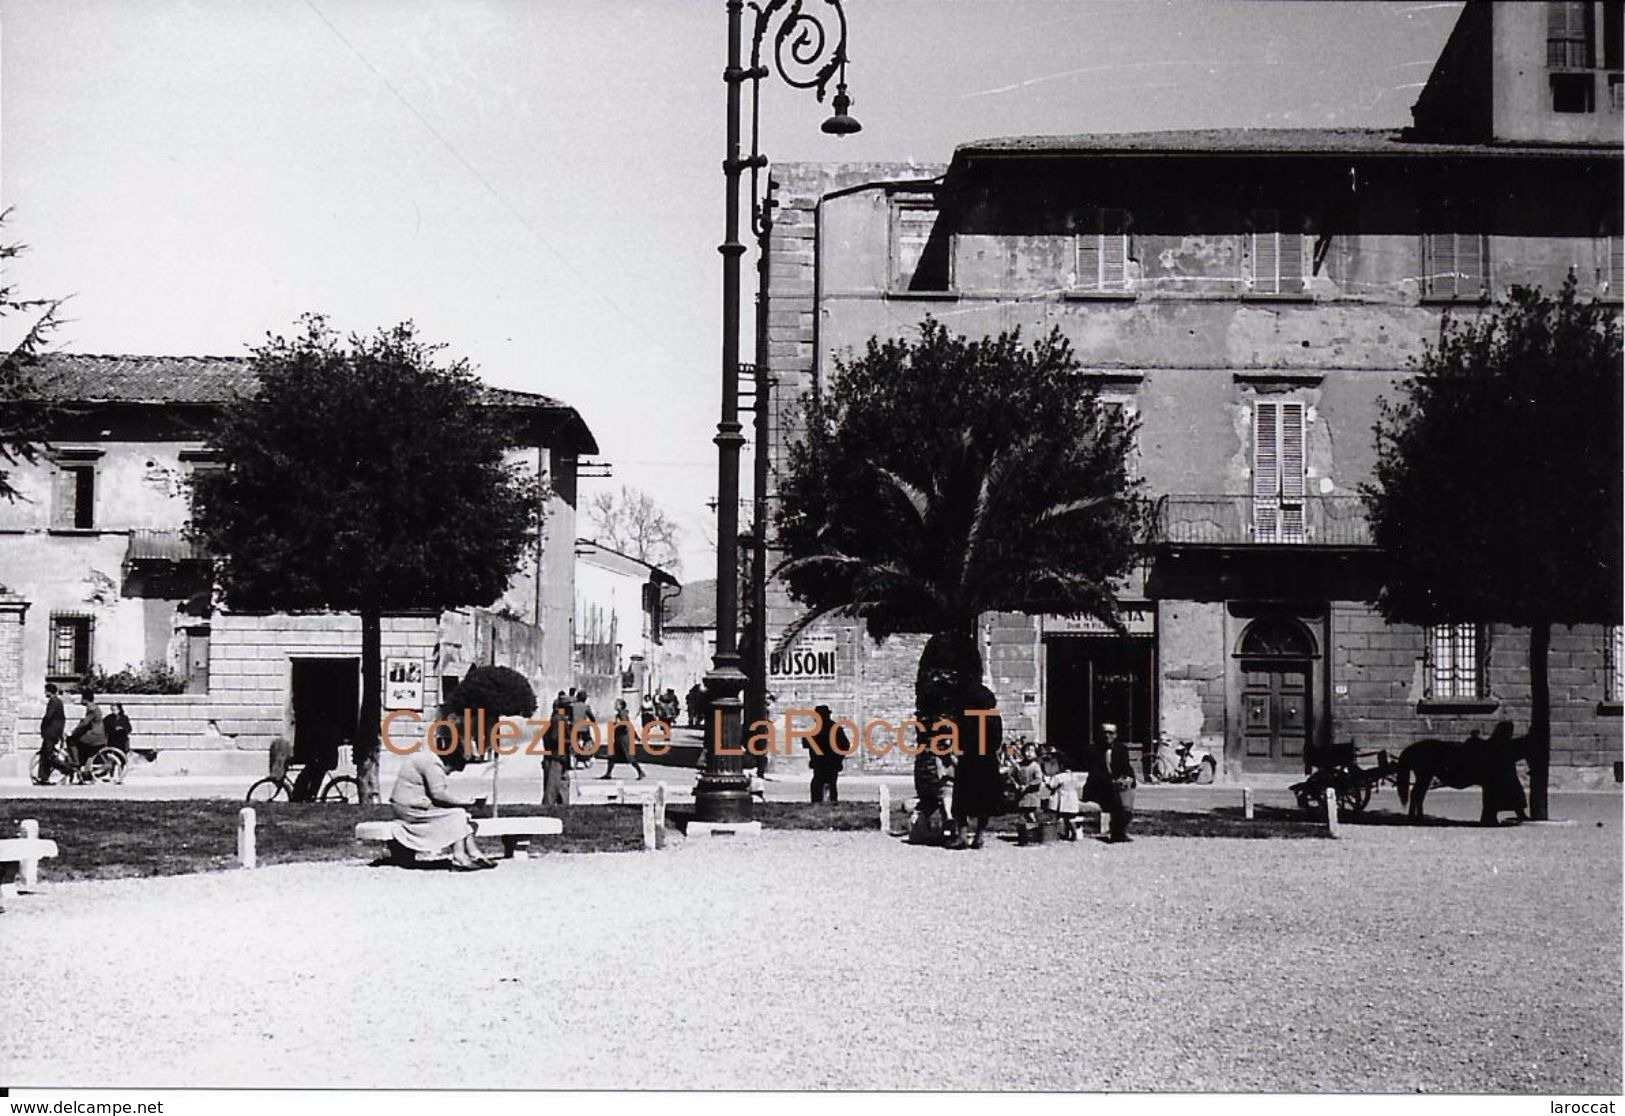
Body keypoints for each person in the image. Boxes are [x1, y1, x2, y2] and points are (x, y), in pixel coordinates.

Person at [387, 729, 495, 870]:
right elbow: (438, 794)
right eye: (452, 769)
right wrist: (469, 802)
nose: (448, 773)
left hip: (408, 806)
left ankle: (475, 854)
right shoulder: (433, 764)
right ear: (449, 761)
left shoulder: (427, 758)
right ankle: (459, 857)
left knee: (461, 815)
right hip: (411, 810)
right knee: (458, 814)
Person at [949, 685, 1004, 849]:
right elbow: (997, 741)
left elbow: (957, 740)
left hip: (968, 761)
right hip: (987, 762)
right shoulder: (994, 717)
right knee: (984, 802)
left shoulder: (964, 717)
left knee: (961, 801)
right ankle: (979, 836)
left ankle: (962, 836)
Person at [1079, 721, 1135, 843]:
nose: (1107, 736)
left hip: (1116, 786)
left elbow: (1126, 768)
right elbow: (1095, 772)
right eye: (1104, 733)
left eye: (1110, 733)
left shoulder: (1121, 749)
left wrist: (1128, 778)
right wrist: (1112, 782)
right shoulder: (1092, 750)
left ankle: (1119, 832)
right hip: (1098, 786)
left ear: (1116, 735)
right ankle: (1114, 832)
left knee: (1126, 800)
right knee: (1116, 798)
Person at [1481, 720, 1528, 825]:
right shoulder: (1498, 744)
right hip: (1499, 777)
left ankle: (1519, 814)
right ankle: (1492, 817)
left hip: (1504, 777)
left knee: (1513, 795)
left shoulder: (1497, 743)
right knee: (1499, 797)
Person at [290, 714, 341, 802]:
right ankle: (307, 795)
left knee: (312, 775)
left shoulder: (322, 728)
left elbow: (318, 746)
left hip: (324, 759)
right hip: (324, 759)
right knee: (311, 774)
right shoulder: (328, 727)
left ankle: (309, 795)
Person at [807, 704, 849, 804]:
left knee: (818, 785)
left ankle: (818, 804)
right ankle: (831, 803)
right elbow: (845, 745)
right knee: (830, 784)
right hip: (830, 763)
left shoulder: (817, 730)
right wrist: (839, 759)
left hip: (823, 763)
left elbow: (810, 746)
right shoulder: (835, 728)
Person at [601, 697, 646, 780]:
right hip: (619, 738)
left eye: (617, 704)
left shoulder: (622, 713)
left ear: (621, 706)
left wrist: (617, 725)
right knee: (612, 756)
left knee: (629, 757)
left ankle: (640, 772)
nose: (615, 705)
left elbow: (625, 725)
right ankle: (608, 773)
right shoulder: (620, 713)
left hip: (623, 739)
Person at [65, 687, 106, 779]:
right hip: (97, 735)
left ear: (85, 699)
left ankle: (76, 762)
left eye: (82, 698)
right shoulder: (94, 707)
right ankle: (82, 763)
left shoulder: (91, 708)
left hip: (95, 735)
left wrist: (72, 732)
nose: (80, 700)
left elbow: (85, 723)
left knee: (72, 741)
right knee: (80, 741)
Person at [35, 683, 69, 785]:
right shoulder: (58, 702)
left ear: (49, 691)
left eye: (46, 690)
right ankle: (43, 777)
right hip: (52, 733)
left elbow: (48, 717)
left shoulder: (54, 702)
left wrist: (43, 726)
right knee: (44, 755)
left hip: (51, 733)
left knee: (48, 755)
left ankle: (66, 768)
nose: (44, 692)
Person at [541, 696, 572, 806]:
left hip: (560, 757)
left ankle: (563, 807)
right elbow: (555, 738)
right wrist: (570, 741)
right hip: (556, 757)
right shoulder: (558, 719)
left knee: (563, 785)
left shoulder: (560, 719)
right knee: (552, 789)